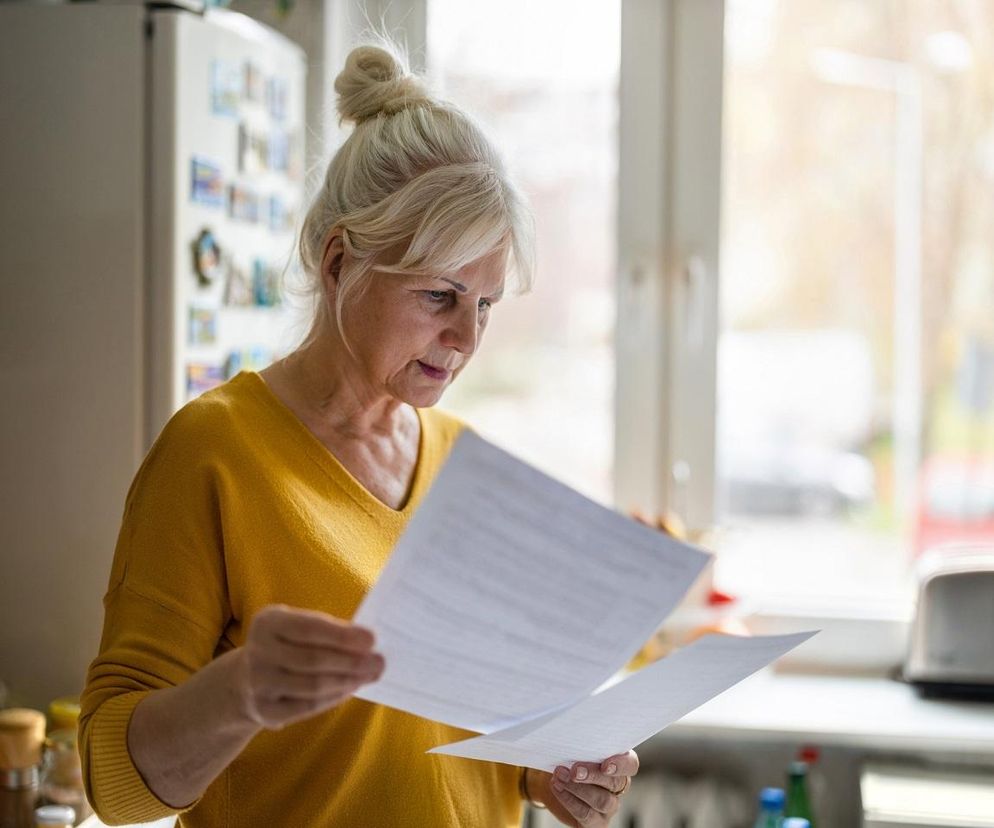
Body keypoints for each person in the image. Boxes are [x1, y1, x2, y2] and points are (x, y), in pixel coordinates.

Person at [79, 39, 638, 828]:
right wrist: (240, 692)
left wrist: (550, 771)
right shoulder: (214, 452)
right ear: (341, 260)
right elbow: (115, 785)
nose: (466, 339)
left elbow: (459, 732)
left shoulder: (466, 467)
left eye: (485, 305)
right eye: (440, 295)